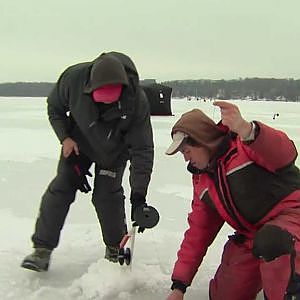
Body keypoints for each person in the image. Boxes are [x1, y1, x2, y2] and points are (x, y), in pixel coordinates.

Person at [21, 51, 154, 272]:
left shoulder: (136, 102)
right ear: (90, 88)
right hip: (78, 146)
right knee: (61, 188)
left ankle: (115, 248)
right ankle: (41, 250)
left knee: (106, 196)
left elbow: (142, 149)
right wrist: (65, 137)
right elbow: (54, 108)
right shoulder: (73, 80)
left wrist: (139, 196)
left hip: (114, 153)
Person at [165, 101, 300, 300]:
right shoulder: (203, 181)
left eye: (186, 151)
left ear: (202, 141)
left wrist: (248, 130)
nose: (186, 159)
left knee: (272, 242)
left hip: (291, 220)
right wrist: (179, 286)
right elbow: (198, 233)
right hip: (251, 235)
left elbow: (285, 153)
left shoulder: (244, 146)